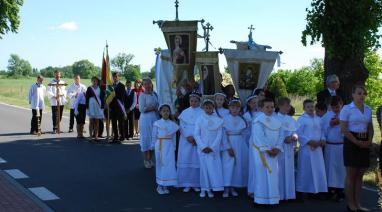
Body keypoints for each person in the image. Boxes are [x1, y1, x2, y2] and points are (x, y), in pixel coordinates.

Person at [339, 85, 373, 211]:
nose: (361, 96)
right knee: (351, 174)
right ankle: (351, 204)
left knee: (360, 174)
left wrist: (369, 140)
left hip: (365, 141)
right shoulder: (347, 109)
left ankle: (358, 204)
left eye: (364, 93)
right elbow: (344, 129)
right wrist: (357, 142)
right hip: (351, 141)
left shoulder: (368, 109)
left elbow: (370, 127)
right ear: (353, 94)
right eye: (359, 93)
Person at [251, 98, 282, 206]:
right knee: (262, 175)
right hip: (262, 152)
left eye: (272, 107)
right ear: (261, 108)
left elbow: (281, 135)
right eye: (267, 107)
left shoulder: (277, 120)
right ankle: (261, 200)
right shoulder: (258, 120)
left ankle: (273, 199)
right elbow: (259, 136)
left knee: (273, 175)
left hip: (274, 151)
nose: (270, 109)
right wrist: (268, 149)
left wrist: (277, 147)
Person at [296, 99, 327, 200]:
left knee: (317, 170)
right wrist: (309, 141)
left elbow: (322, 131)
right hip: (307, 149)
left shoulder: (318, 119)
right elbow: (299, 133)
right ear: (304, 108)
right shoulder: (301, 119)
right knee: (305, 170)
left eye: (312, 106)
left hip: (317, 149)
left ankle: (315, 191)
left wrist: (322, 139)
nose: (310, 108)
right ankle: (301, 191)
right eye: (308, 107)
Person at [194, 99, 224, 198]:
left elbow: (219, 135)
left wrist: (213, 147)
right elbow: (196, 134)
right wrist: (202, 146)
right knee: (204, 169)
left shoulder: (218, 120)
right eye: (206, 107)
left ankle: (211, 188)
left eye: (210, 107)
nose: (208, 109)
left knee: (214, 169)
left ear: (213, 108)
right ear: (203, 108)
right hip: (202, 148)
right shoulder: (199, 119)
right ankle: (204, 188)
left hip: (213, 149)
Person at [221, 98, 248, 198]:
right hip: (229, 144)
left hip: (239, 144)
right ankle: (226, 187)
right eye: (233, 107)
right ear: (229, 108)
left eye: (237, 108)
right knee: (228, 165)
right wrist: (228, 147)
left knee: (237, 166)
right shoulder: (225, 119)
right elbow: (223, 135)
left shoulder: (242, 119)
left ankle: (233, 187)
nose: (235, 109)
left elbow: (244, 134)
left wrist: (242, 146)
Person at [177, 92, 203, 192]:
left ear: (199, 102)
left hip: (198, 140)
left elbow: (203, 126)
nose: (193, 103)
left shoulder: (202, 112)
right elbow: (182, 126)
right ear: (189, 101)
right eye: (191, 101)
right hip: (186, 140)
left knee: (196, 161)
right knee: (186, 159)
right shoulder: (185, 112)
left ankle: (196, 183)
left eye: (195, 101)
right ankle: (186, 183)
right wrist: (187, 136)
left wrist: (196, 138)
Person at [321, 96, 345, 201]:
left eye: (338, 107)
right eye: (334, 107)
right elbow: (321, 130)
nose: (336, 109)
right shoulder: (326, 116)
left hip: (341, 145)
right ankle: (330, 189)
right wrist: (330, 125)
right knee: (330, 168)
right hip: (330, 145)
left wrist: (341, 124)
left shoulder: (345, 115)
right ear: (331, 106)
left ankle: (340, 190)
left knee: (341, 169)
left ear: (342, 105)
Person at [152, 104, 179, 195]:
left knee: (168, 165)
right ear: (160, 112)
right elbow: (154, 136)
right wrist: (154, 145)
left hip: (169, 146)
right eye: (164, 111)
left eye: (167, 111)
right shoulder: (157, 123)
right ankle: (159, 185)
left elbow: (174, 137)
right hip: (160, 145)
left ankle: (165, 184)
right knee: (161, 164)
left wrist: (174, 147)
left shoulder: (173, 124)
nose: (166, 112)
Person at [276, 97, 298, 201]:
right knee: (279, 170)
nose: (288, 108)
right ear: (280, 106)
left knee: (289, 169)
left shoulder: (291, 119)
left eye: (289, 106)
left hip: (289, 148)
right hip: (280, 148)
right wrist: (284, 139)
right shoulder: (275, 118)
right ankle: (279, 194)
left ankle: (289, 194)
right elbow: (274, 134)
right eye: (286, 105)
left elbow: (295, 131)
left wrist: (294, 137)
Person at [139, 78, 159, 168]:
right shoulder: (142, 95)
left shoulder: (155, 94)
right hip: (146, 120)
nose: (147, 85)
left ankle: (150, 159)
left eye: (148, 83)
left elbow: (158, 105)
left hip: (155, 118)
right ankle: (146, 160)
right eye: (145, 84)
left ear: (151, 84)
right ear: (143, 85)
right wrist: (153, 108)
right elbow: (142, 109)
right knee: (146, 139)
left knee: (153, 139)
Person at [243, 95, 261, 197]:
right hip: (252, 142)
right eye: (253, 103)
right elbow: (246, 132)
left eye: (256, 102)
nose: (255, 104)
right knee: (253, 166)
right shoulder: (247, 115)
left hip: (261, 142)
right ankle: (252, 189)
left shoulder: (261, 113)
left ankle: (260, 188)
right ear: (249, 104)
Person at [86, 76, 105, 141]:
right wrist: (87, 107)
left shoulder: (100, 89)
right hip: (91, 105)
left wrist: (102, 107)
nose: (94, 82)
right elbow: (87, 98)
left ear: (97, 81)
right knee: (91, 121)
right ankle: (91, 136)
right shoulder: (89, 88)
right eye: (93, 80)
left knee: (97, 122)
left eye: (95, 80)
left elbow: (102, 99)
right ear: (91, 81)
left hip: (98, 106)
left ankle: (96, 136)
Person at [110, 72, 127, 143]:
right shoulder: (110, 86)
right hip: (113, 107)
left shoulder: (122, 86)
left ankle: (122, 136)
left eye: (116, 76)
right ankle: (115, 137)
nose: (114, 78)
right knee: (113, 123)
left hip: (119, 107)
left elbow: (122, 97)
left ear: (118, 77)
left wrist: (115, 94)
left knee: (120, 123)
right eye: (113, 77)